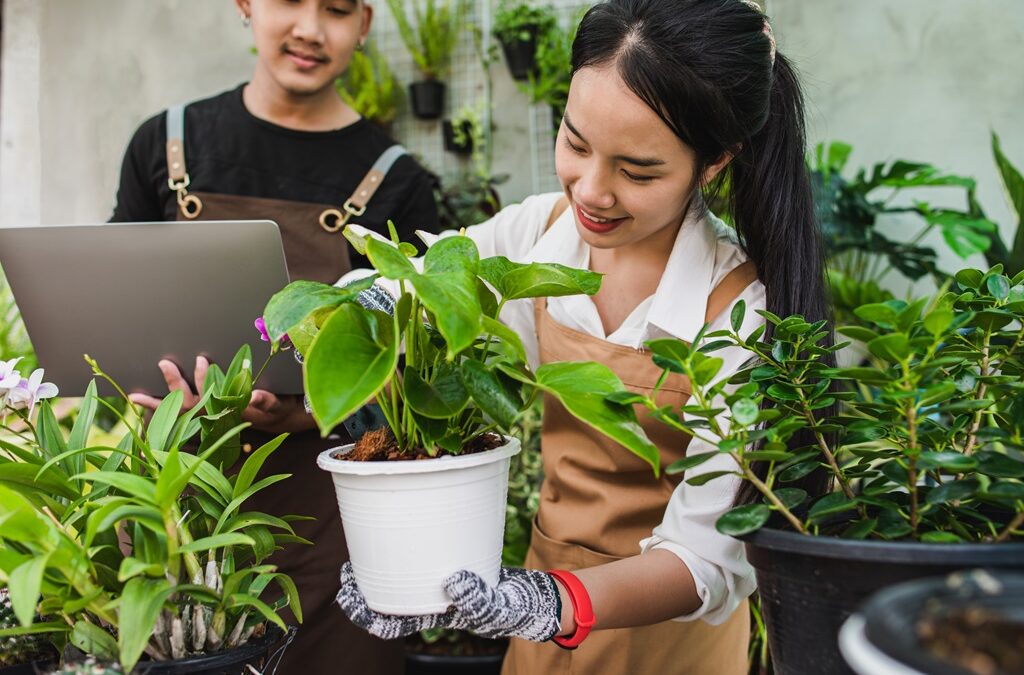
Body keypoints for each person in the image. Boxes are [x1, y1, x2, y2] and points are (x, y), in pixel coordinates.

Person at [334, 0, 831, 673]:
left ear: (714, 162)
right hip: (537, 618)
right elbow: (415, 293)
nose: (590, 192)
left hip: (667, 636)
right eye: (574, 142)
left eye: (637, 170)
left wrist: (552, 600)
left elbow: (706, 557)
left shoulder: (740, 308)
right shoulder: (535, 236)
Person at [114, 1, 439, 673]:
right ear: (245, 5)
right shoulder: (166, 144)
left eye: (338, 9)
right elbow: (115, 301)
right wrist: (141, 386)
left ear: (366, 23)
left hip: (333, 523)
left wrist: (317, 406)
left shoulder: (397, 179)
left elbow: (415, 372)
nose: (311, 30)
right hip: (177, 510)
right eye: (289, 0)